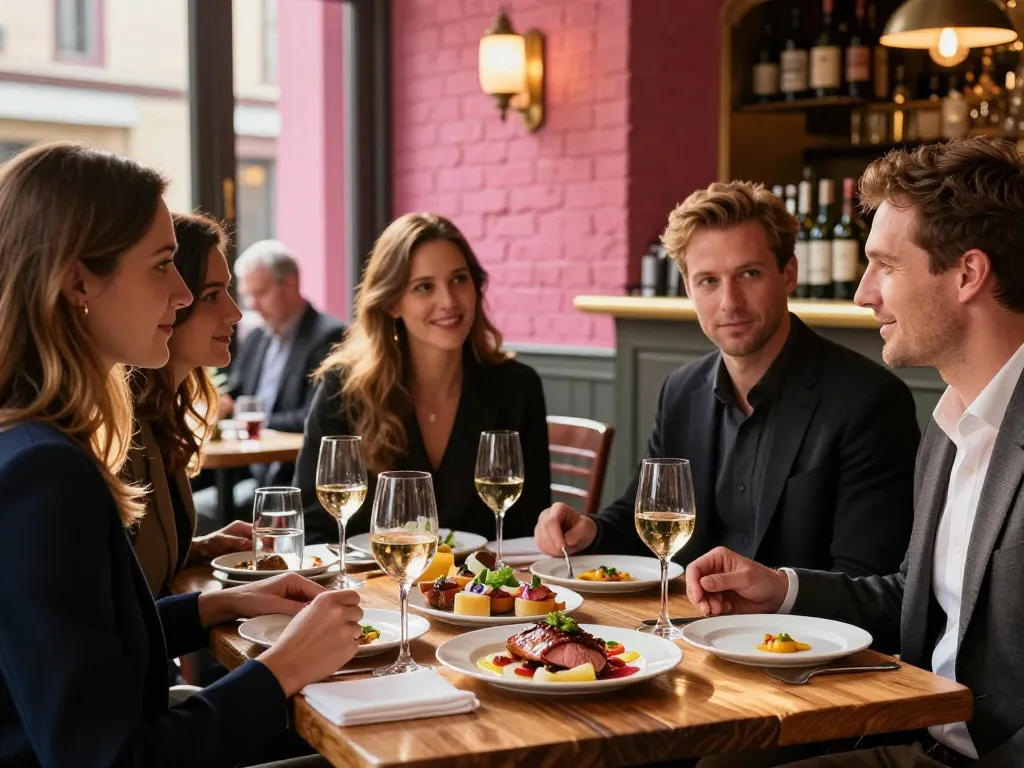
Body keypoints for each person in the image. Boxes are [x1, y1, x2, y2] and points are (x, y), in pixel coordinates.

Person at [0, 142, 361, 767]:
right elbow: (109, 758)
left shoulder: (36, 444)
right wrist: (285, 665)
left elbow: (90, 651)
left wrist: (222, 602)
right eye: (163, 265)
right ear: (80, 281)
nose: (180, 292)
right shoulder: (43, 474)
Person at [685, 137, 1024, 768]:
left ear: (968, 274)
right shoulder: (950, 423)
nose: (863, 293)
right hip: (915, 736)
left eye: (885, 265)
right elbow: (915, 601)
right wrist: (781, 589)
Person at [534, 180, 919, 577]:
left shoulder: (869, 401)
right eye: (709, 281)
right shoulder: (680, 391)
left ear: (788, 273)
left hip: (798, 620)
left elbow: (866, 578)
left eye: (749, 274)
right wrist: (588, 531)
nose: (730, 302)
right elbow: (645, 520)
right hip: (685, 615)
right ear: (688, 288)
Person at [294, 212, 552, 544]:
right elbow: (313, 526)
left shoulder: (517, 387)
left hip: (485, 577)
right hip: (370, 578)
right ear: (392, 303)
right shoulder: (343, 389)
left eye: (459, 279)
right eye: (424, 287)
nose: (448, 301)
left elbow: (529, 528)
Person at [127, 212, 250, 598]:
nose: (235, 313)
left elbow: (131, 566)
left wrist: (200, 547)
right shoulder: (124, 426)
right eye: (211, 295)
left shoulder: (162, 413)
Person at [220, 239, 345, 485]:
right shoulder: (256, 337)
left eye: (260, 293)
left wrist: (248, 419)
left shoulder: (329, 337)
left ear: (290, 285)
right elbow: (236, 392)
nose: (253, 305)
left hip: (292, 478)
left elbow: (311, 417)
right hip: (245, 471)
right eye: (248, 296)